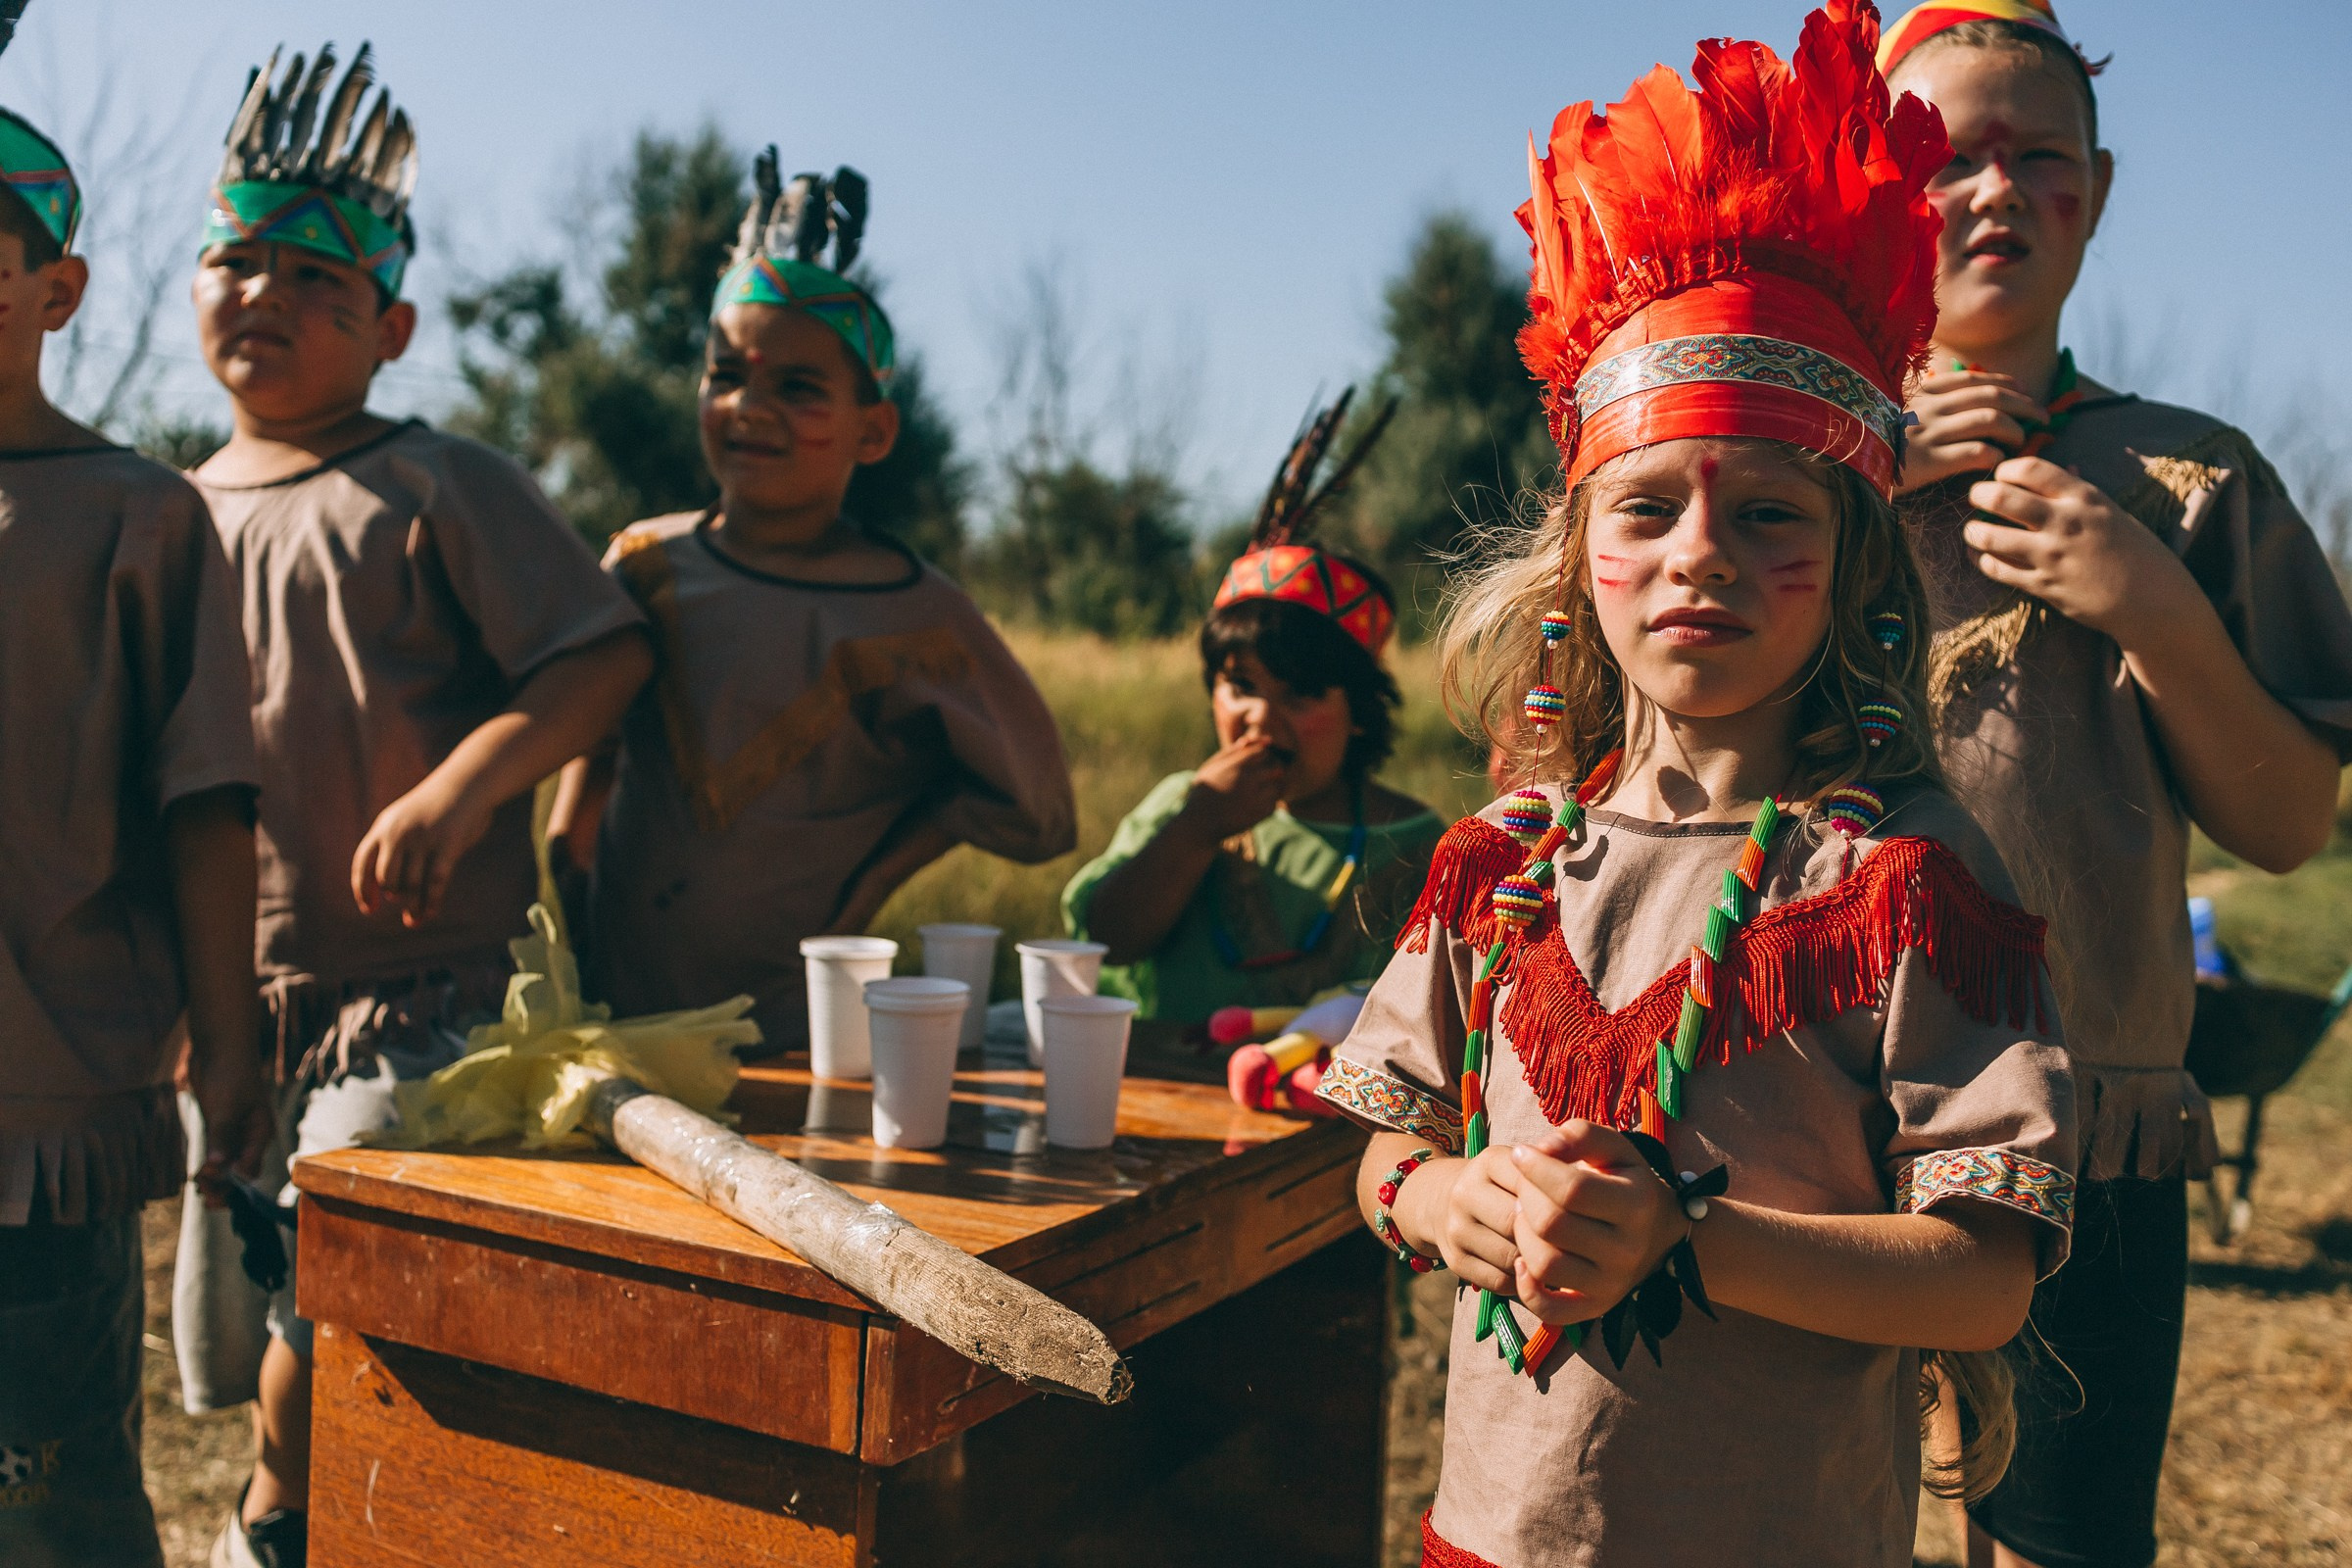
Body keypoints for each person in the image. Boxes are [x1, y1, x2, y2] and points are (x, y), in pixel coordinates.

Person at [1315, 7, 2079, 1564]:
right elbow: (1382, 1149)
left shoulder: (1906, 880)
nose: (1702, 557)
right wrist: (1443, 1206)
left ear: (1858, 566)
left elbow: (1985, 1278)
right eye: (1648, 508)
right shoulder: (1503, 864)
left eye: (1772, 516)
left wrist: (1690, 1235)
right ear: (1577, 559)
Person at [171, 44, 653, 1568]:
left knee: (342, 1291)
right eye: (236, 260)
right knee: (265, 1294)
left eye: (316, 277)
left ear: (392, 328)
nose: (264, 292)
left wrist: (461, 787)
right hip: (235, 1004)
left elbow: (601, 658)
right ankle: (294, 1517)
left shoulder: (436, 483)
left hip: (420, 1002)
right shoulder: (162, 517)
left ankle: (277, 1529)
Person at [1882, 6, 2352, 1567]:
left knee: (2055, 1542)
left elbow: (2287, 826)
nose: (1996, 192)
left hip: (2086, 1126)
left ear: (2098, 194)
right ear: (1866, 182)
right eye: (1948, 159)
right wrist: (1860, 464)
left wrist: (2155, 606)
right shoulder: (1777, 463)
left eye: (2042, 159)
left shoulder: (2189, 476)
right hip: (1809, 1112)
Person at [557, 152, 1074, 1047]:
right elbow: (587, 754)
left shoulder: (916, 614)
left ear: (874, 431)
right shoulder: (644, 564)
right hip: (615, 1014)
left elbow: (1039, 810)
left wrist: (875, 878)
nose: (750, 407)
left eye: (798, 389)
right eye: (726, 376)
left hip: (797, 1031)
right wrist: (566, 907)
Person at [0, 89, 270, 1568]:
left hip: (42, 1114)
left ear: (59, 291)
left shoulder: (139, 519)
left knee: (44, 1498)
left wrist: (228, 1044)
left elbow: (204, 803)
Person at [1064, 389, 1443, 1024]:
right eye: (1241, 686)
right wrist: (1196, 828)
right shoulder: (1181, 805)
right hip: (1162, 1081)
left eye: (1300, 694)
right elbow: (1105, 942)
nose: (1261, 719)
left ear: (1359, 712)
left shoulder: (1417, 844)